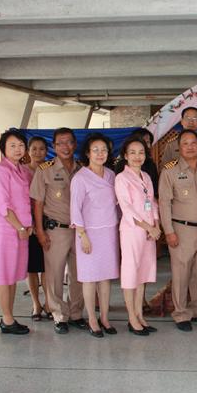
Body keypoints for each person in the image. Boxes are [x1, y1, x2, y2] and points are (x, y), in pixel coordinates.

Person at [159, 129, 197, 331]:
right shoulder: (169, 171)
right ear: (179, 147)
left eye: (193, 143)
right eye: (185, 143)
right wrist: (168, 231)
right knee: (181, 272)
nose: (190, 147)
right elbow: (164, 204)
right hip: (181, 228)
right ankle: (181, 313)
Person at [30, 128, 87, 334]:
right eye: (60, 143)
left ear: (75, 145)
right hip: (56, 230)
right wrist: (40, 232)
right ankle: (59, 315)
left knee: (78, 273)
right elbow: (37, 203)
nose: (65, 146)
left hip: (79, 231)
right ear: (54, 147)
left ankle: (76, 313)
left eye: (69, 142)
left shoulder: (82, 169)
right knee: (54, 274)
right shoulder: (44, 170)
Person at [70, 133, 120, 338]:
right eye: (96, 150)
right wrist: (83, 235)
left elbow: (117, 205)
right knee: (90, 278)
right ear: (88, 153)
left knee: (106, 278)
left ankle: (105, 318)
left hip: (109, 233)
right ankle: (92, 319)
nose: (100, 154)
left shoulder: (111, 175)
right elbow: (75, 209)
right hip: (88, 234)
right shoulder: (80, 178)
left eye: (104, 150)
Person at [115, 135, 161, 336]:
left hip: (149, 231)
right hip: (133, 231)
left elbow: (152, 203)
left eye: (141, 152)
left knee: (143, 273)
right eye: (132, 152)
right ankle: (131, 318)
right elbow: (127, 208)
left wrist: (156, 224)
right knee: (131, 273)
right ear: (125, 155)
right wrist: (148, 227)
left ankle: (140, 315)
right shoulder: (121, 178)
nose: (137, 156)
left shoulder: (146, 177)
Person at [0, 129, 33, 335]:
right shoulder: (0, 171)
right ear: (3, 149)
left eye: (21, 145)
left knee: (14, 274)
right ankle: (6, 319)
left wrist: (28, 225)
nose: (17, 149)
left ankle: (10, 317)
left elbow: (27, 200)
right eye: (12, 145)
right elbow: (3, 205)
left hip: (22, 231)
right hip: (7, 230)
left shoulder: (23, 170)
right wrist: (20, 227)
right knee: (4, 274)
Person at [24, 136, 50, 320]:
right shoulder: (22, 171)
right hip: (29, 226)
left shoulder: (50, 170)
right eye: (34, 148)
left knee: (47, 267)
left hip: (48, 223)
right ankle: (36, 304)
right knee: (32, 268)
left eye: (41, 149)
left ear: (46, 151)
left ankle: (49, 303)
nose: (38, 152)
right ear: (28, 151)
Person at [129, 127, 160, 197]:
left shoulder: (151, 164)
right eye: (141, 142)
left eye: (148, 142)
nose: (144, 145)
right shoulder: (122, 165)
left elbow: (155, 189)